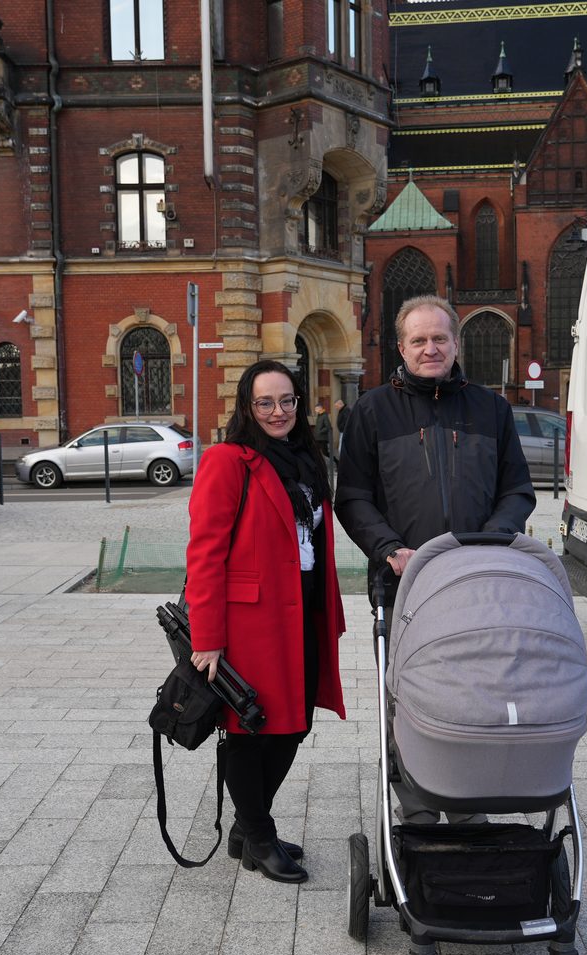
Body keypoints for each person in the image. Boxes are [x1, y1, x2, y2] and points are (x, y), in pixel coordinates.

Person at [336, 294, 535, 822]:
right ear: (401, 347)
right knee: (410, 702)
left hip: (480, 586)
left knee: (477, 697)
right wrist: (386, 548)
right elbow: (352, 496)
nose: (430, 349)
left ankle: (470, 801)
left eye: (439, 339)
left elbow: (517, 490)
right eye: (418, 340)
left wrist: (490, 544)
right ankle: (418, 809)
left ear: (455, 343)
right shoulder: (371, 411)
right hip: (405, 591)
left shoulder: (491, 409)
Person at [185, 359, 346, 883]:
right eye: (265, 402)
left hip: (302, 611)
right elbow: (205, 552)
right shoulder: (229, 460)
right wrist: (207, 639)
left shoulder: (305, 456)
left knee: (294, 724)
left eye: (287, 401)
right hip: (249, 621)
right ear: (247, 407)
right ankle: (256, 834)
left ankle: (247, 827)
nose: (278, 412)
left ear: (300, 404)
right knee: (250, 729)